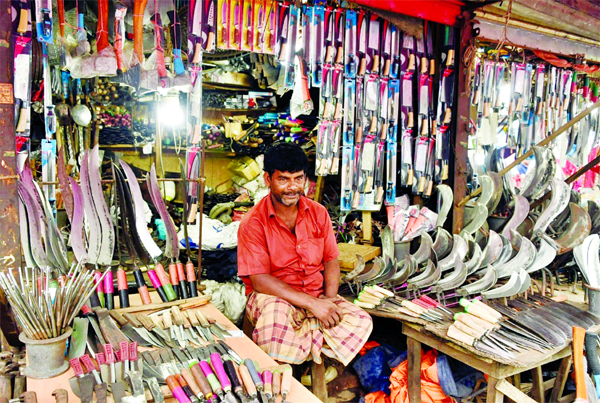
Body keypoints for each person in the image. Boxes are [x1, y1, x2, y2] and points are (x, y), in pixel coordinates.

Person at [237, 142, 373, 366]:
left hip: (315, 293)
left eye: (298, 178)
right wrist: (313, 305)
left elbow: (330, 261)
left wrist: (328, 301)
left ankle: (303, 347)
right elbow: (260, 281)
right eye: (283, 179)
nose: (292, 187)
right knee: (275, 318)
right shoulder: (252, 222)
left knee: (361, 320)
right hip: (274, 298)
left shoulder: (318, 213)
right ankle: (303, 357)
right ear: (267, 179)